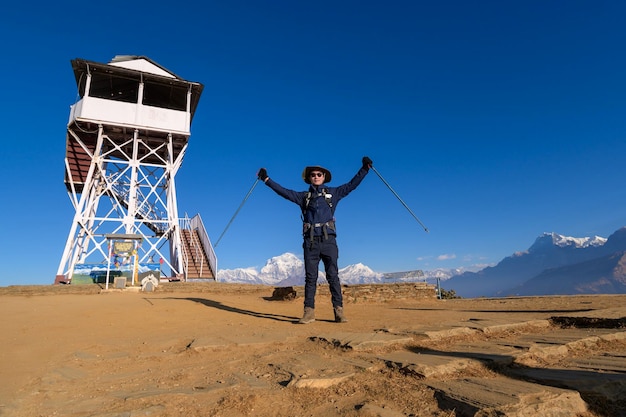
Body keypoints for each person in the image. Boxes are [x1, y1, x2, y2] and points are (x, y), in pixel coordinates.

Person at [257, 156, 373, 324]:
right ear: (309, 178)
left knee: (333, 276)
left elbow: (351, 185)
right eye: (313, 175)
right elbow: (283, 192)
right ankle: (308, 313)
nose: (316, 176)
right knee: (310, 278)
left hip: (329, 242)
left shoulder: (334, 194)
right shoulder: (303, 197)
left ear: (324, 177)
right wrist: (266, 179)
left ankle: (339, 312)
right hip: (310, 243)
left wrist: (365, 169)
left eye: (319, 174)